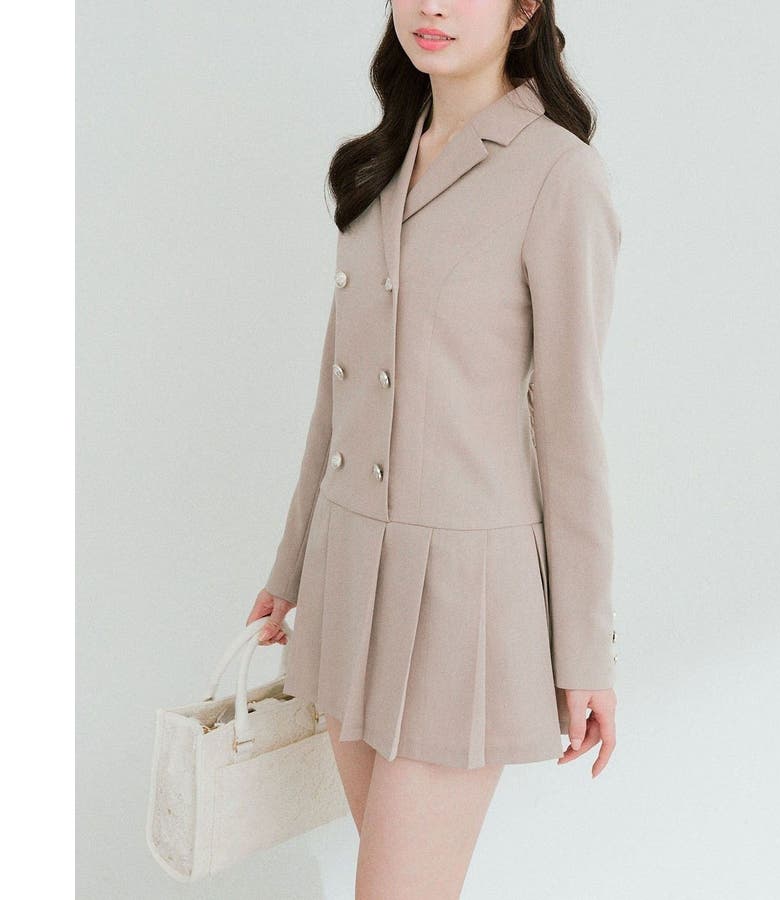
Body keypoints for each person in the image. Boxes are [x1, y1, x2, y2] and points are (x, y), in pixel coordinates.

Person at [246, 1, 621, 895]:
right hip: (348, 576)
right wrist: (291, 569)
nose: (432, 5)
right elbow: (338, 392)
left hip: (464, 598)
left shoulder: (558, 175)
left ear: (524, 9)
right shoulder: (378, 161)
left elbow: (570, 428)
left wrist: (586, 653)